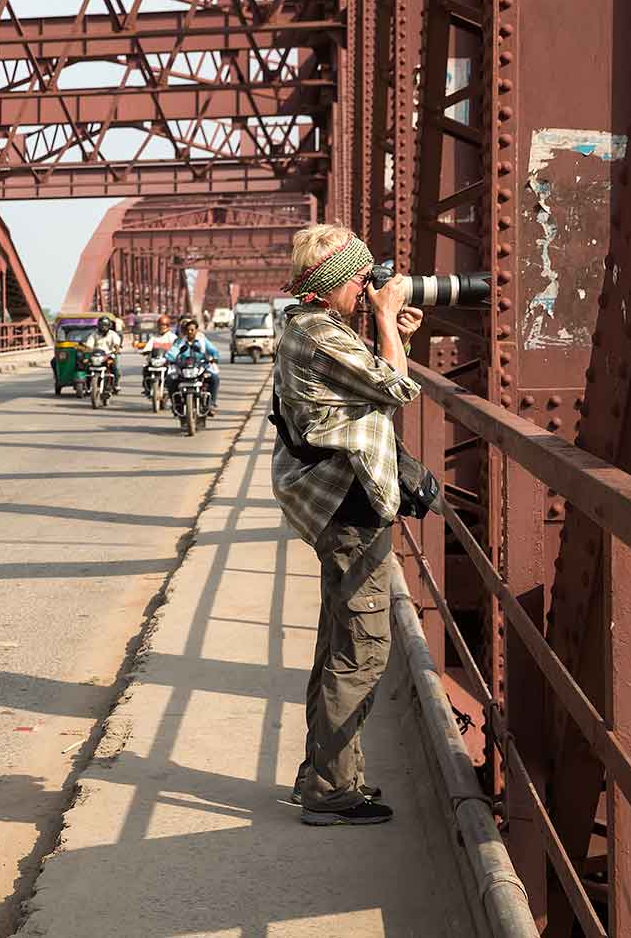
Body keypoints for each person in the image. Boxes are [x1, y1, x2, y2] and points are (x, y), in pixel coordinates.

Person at [272, 223, 422, 827]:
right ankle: (331, 791)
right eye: (359, 280)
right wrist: (386, 326)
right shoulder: (319, 335)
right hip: (349, 509)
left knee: (339, 643)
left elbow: (375, 388)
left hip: (342, 505)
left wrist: (393, 333)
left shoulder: (313, 327)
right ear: (332, 284)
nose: (368, 289)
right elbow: (395, 388)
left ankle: (324, 774)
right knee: (363, 649)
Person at [164, 318, 219, 413]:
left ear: (196, 330)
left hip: (200, 367)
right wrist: (169, 359)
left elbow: (213, 350)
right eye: (188, 330)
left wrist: (214, 357)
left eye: (192, 330)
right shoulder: (180, 341)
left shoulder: (202, 340)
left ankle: (211, 404)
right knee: (170, 379)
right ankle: (176, 404)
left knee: (214, 378)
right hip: (183, 368)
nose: (190, 332)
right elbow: (173, 352)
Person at [86, 315, 127, 383]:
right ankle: (87, 385)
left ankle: (116, 384)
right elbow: (89, 344)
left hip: (108, 355)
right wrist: (87, 349)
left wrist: (117, 349)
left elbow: (116, 343)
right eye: (102, 325)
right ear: (99, 325)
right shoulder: (94, 334)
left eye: (105, 325)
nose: (103, 327)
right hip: (96, 355)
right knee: (87, 367)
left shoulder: (112, 334)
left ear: (109, 326)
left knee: (114, 368)